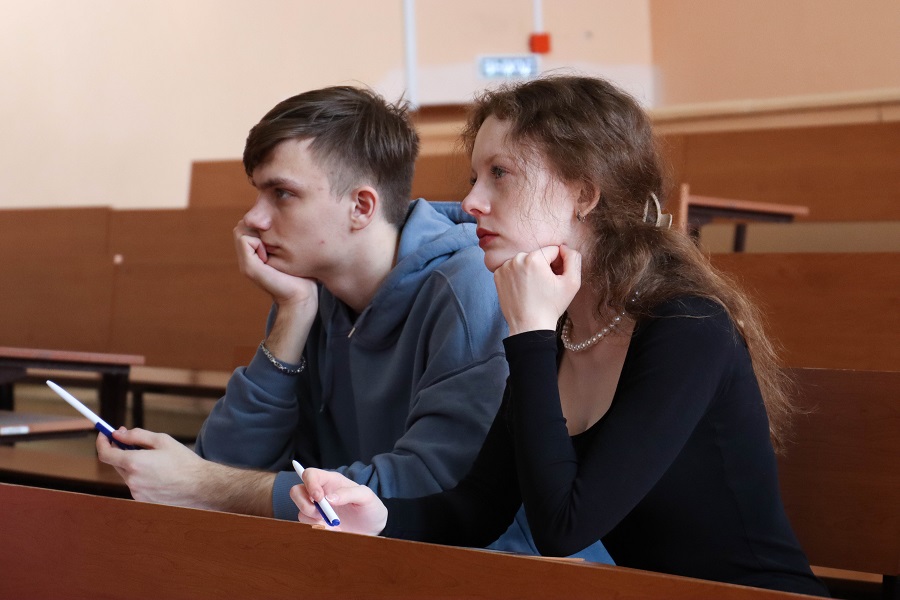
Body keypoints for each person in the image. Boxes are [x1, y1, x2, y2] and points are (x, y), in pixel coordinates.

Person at [290, 76, 830, 597]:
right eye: (475, 178)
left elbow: (563, 529)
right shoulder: (563, 335)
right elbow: (477, 509)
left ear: (584, 195)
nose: (472, 202)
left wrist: (530, 332)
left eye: (500, 173)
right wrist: (377, 515)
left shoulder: (689, 328)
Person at [95, 84, 612, 563]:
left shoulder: (470, 286)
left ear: (362, 206)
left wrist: (206, 484)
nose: (253, 218)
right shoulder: (309, 291)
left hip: (492, 571)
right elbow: (225, 467)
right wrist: (292, 315)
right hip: (358, 560)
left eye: (281, 193)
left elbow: (433, 488)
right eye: (257, 193)